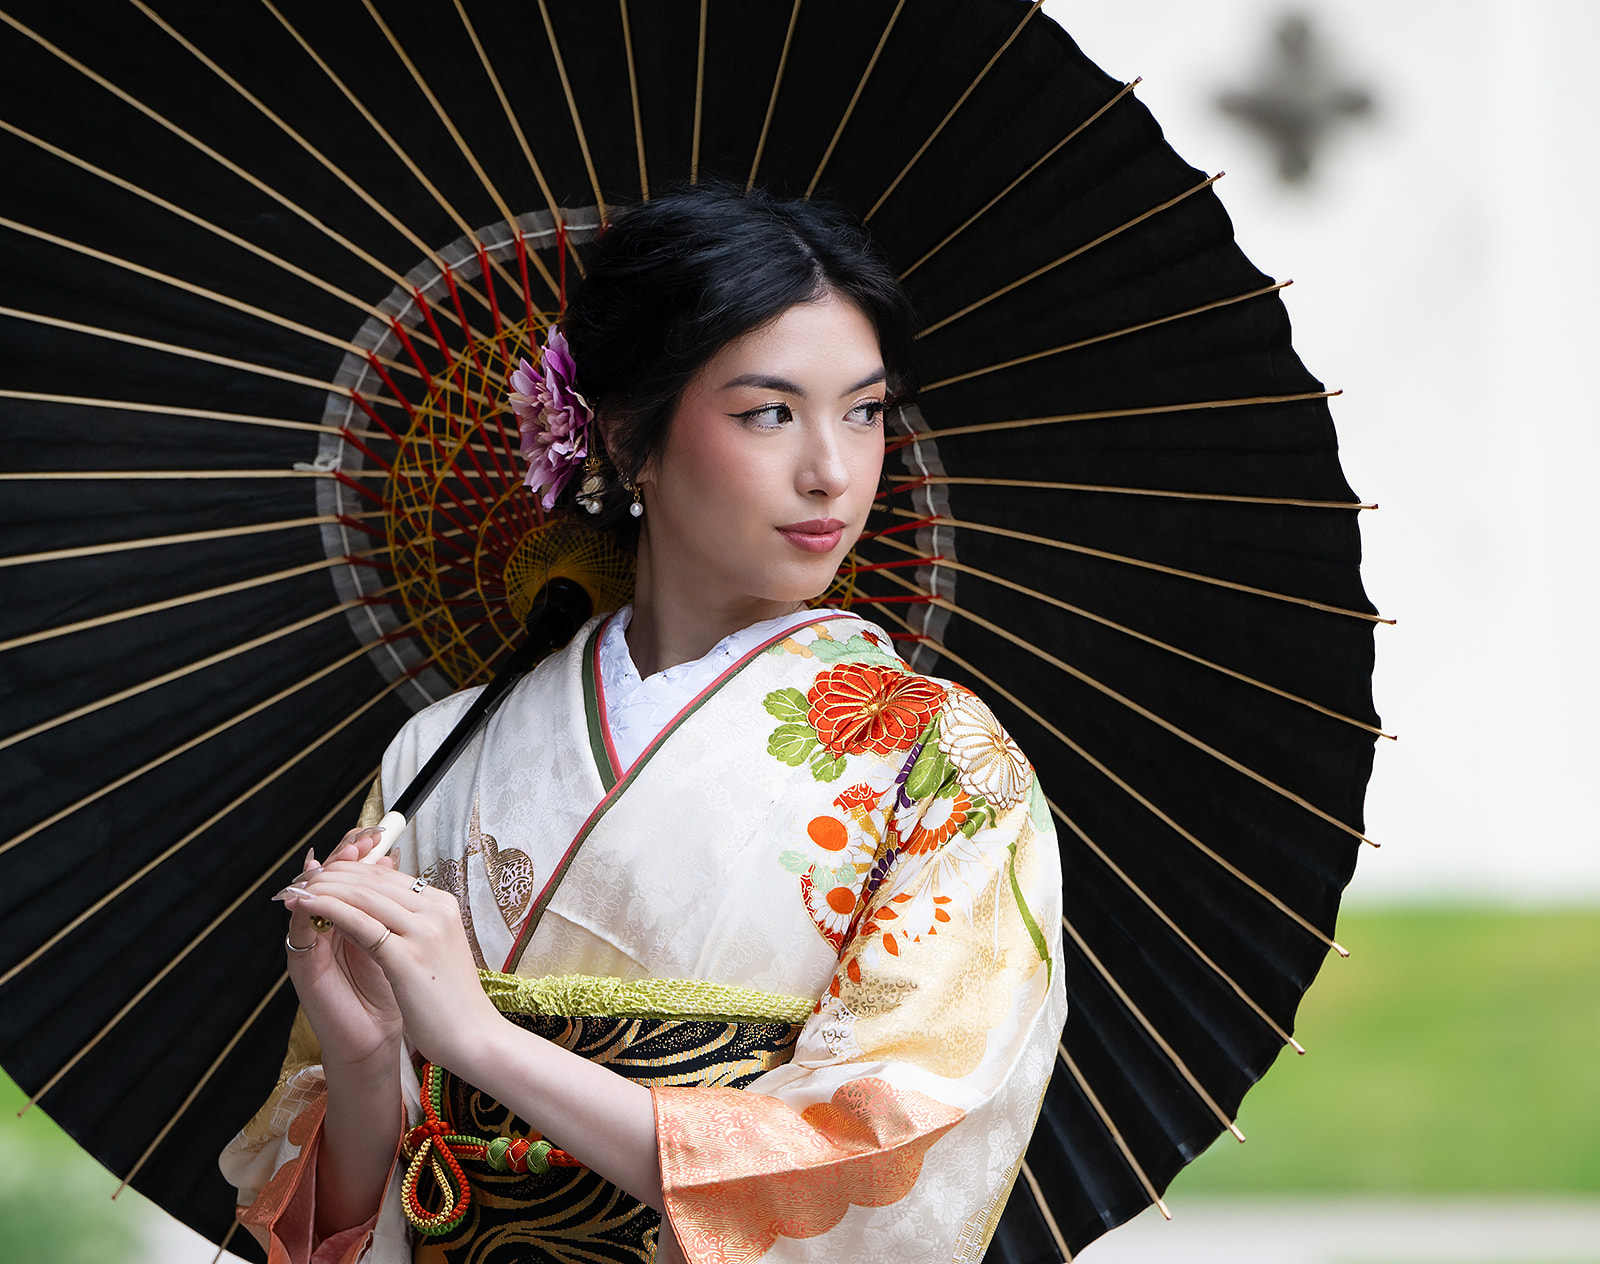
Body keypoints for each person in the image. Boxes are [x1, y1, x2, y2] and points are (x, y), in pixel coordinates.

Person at [220, 184, 1066, 1264]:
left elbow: (877, 1163)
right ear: (627, 436)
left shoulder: (940, 763)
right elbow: (343, 1218)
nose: (833, 470)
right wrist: (367, 1056)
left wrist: (478, 1040)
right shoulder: (437, 755)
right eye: (769, 411)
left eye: (864, 410)